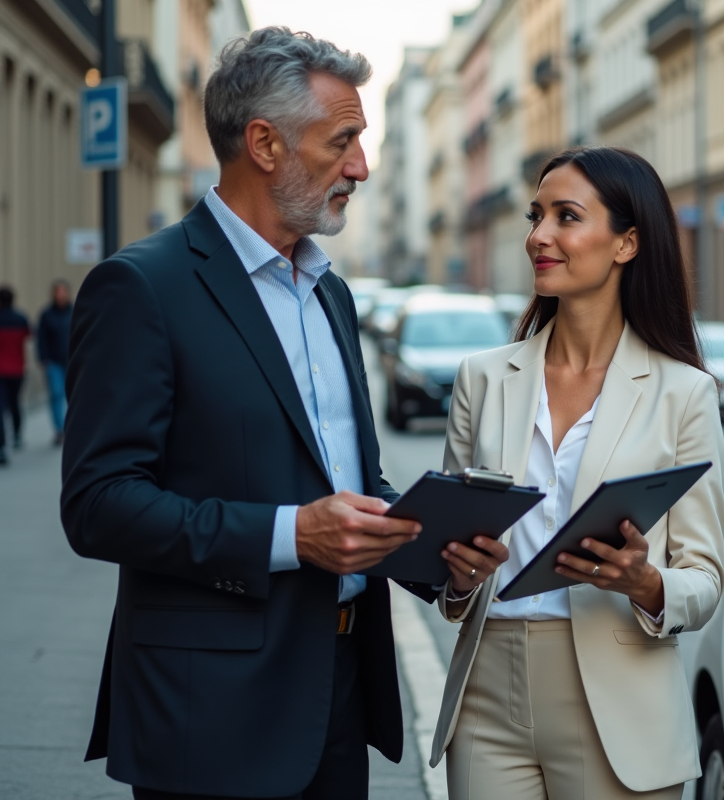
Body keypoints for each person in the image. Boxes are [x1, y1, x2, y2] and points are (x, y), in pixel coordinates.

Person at [60, 28, 429, 799]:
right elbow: (98, 506)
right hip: (210, 712)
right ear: (264, 144)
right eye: (344, 141)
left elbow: (343, 481)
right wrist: (293, 535)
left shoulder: (331, 290)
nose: (361, 167)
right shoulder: (142, 288)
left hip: (339, 695)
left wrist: (432, 546)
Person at [428, 146, 724, 800]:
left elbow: (705, 579)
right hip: (486, 690)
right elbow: (449, 565)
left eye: (566, 217)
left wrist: (646, 583)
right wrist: (456, 576)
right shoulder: (482, 378)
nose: (539, 236)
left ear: (626, 244)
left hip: (616, 698)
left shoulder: (684, 393)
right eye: (537, 216)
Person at [37, 279, 71, 445]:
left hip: (72, 360)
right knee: (57, 394)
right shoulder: (47, 314)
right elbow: (41, 337)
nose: (61, 295)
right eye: (58, 292)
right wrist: (43, 358)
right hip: (54, 362)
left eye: (63, 291)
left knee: (71, 396)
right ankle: (59, 430)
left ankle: (71, 428)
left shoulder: (75, 311)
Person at [0, 285, 31, 462]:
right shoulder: (20, 318)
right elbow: (29, 336)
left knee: (0, 408)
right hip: (17, 369)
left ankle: (2, 446)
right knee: (14, 404)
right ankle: (17, 434)